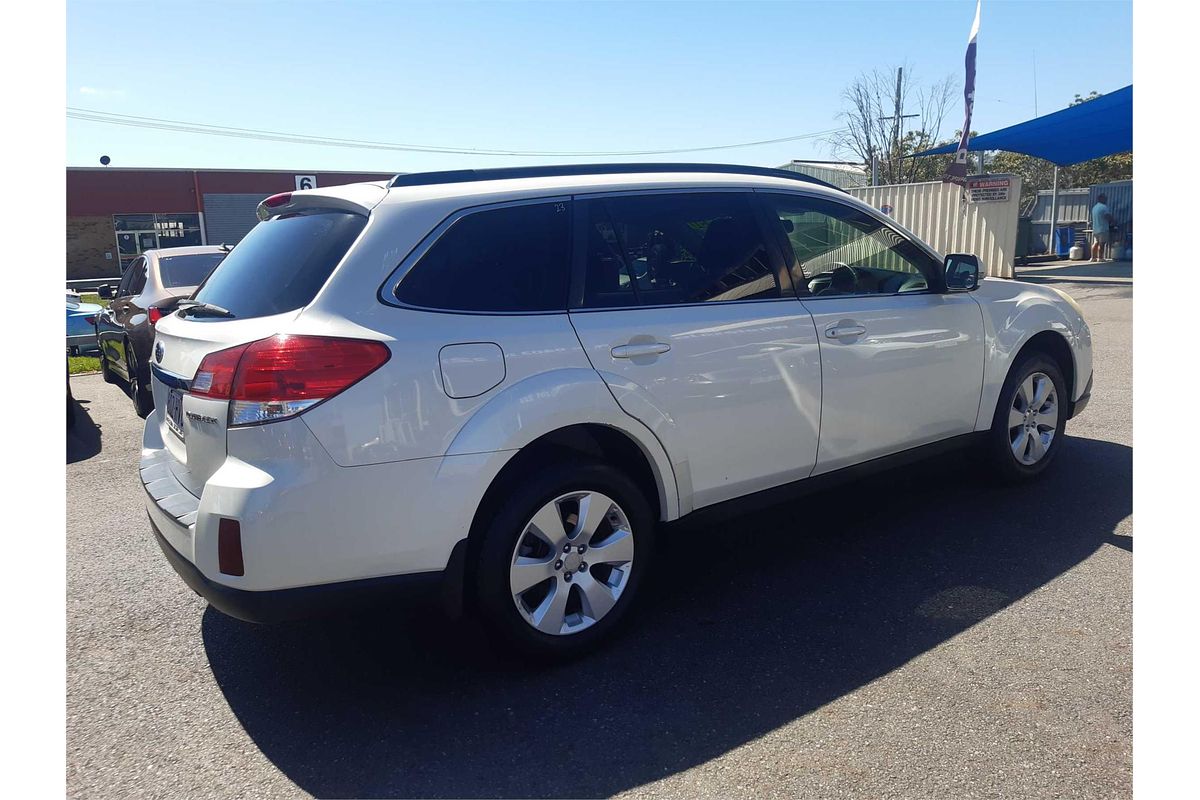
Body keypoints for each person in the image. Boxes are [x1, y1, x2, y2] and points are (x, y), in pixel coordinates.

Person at [1091, 193, 1113, 262]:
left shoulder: (1094, 207)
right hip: (1103, 228)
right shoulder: (1104, 207)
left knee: (1096, 243)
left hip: (1095, 228)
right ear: (1102, 199)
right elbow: (1107, 216)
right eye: (1105, 199)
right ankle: (1100, 258)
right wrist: (1113, 220)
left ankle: (1093, 258)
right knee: (1102, 244)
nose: (1106, 200)